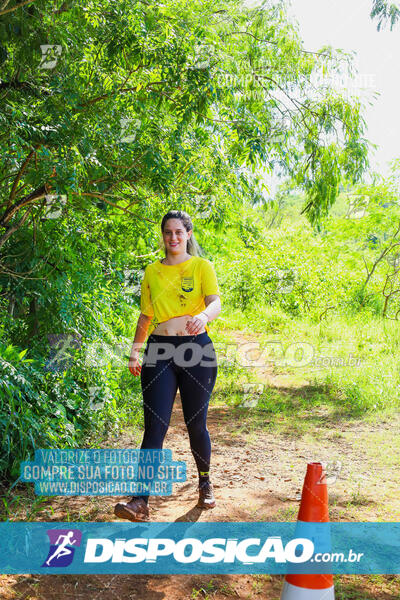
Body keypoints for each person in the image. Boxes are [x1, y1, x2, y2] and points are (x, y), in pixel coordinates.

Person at [114, 210, 221, 522]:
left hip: (196, 350)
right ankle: (140, 500)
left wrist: (202, 316)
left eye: (178, 232)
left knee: (195, 424)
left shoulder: (202, 266)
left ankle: (204, 481)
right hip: (159, 351)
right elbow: (146, 315)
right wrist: (136, 352)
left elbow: (215, 301)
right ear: (163, 236)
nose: (173, 237)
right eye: (167, 232)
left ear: (188, 234)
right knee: (154, 428)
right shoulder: (152, 271)